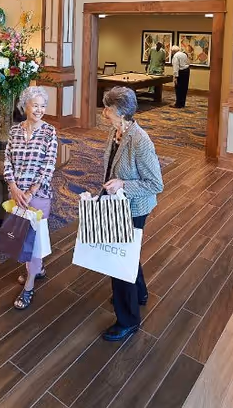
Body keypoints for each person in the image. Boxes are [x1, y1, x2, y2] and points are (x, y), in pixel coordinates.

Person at [100, 86, 163, 341]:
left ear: (122, 113)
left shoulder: (140, 141)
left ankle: (128, 320)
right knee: (128, 253)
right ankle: (140, 293)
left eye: (108, 108)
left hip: (133, 207)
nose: (104, 111)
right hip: (116, 204)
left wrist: (123, 185)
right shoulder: (116, 132)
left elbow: (156, 184)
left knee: (120, 261)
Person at [3, 86, 58, 311]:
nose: (40, 110)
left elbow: (48, 166)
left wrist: (30, 192)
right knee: (20, 235)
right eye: (35, 105)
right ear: (25, 106)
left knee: (33, 241)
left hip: (37, 195)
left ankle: (29, 285)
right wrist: (13, 187)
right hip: (17, 194)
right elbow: (7, 160)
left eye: (43, 106)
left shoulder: (49, 132)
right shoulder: (15, 131)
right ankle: (37, 268)